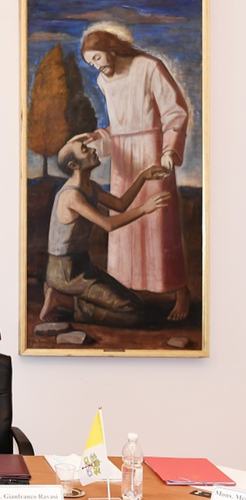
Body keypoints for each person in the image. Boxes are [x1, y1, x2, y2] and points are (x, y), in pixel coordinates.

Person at [76, 26, 191, 321]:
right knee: (126, 226)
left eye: (97, 58)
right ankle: (129, 291)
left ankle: (180, 292)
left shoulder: (149, 67)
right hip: (124, 161)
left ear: (110, 49)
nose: (96, 66)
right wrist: (97, 137)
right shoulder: (103, 81)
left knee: (160, 225)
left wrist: (168, 151)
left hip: (153, 154)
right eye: (91, 63)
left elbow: (175, 111)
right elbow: (120, 129)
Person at [40, 139, 171, 325]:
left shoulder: (91, 187)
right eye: (84, 149)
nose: (92, 150)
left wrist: (143, 177)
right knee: (133, 314)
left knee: (136, 303)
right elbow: (108, 224)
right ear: (74, 165)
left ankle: (62, 297)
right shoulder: (72, 196)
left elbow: (120, 205)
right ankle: (62, 300)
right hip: (64, 273)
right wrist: (144, 209)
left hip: (83, 266)